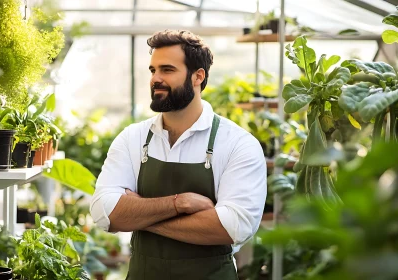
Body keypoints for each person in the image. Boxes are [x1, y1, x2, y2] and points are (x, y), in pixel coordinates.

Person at [90, 30, 267, 280]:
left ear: (198, 76)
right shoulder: (133, 138)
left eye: (167, 70)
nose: (156, 79)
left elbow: (233, 227)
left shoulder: (237, 143)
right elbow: (103, 212)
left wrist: (137, 216)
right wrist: (180, 203)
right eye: (153, 70)